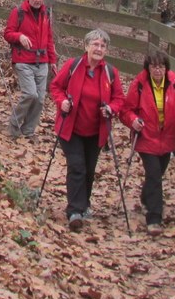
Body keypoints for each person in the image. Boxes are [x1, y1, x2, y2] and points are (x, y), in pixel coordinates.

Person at [49, 29, 125, 229]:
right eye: (95, 45)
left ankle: (84, 204)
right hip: (71, 128)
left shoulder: (110, 72)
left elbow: (119, 99)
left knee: (89, 170)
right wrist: (62, 101)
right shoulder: (73, 66)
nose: (99, 49)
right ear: (86, 46)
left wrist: (111, 109)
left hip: (96, 130)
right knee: (77, 167)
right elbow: (56, 87)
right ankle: (74, 210)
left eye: (102, 46)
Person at [119, 46, 175, 235]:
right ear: (148, 68)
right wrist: (133, 121)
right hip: (146, 137)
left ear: (166, 68)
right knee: (154, 174)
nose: (157, 70)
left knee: (157, 174)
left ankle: (146, 198)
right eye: (154, 67)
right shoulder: (140, 83)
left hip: (168, 138)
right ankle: (154, 219)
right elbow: (126, 111)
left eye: (161, 66)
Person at [4, 0, 58, 140]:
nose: (38, 0)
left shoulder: (46, 13)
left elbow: (49, 38)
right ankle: (14, 125)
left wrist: (52, 60)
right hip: (23, 60)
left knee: (40, 98)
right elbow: (8, 33)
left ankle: (28, 130)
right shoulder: (18, 12)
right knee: (30, 94)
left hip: (42, 62)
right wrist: (19, 36)